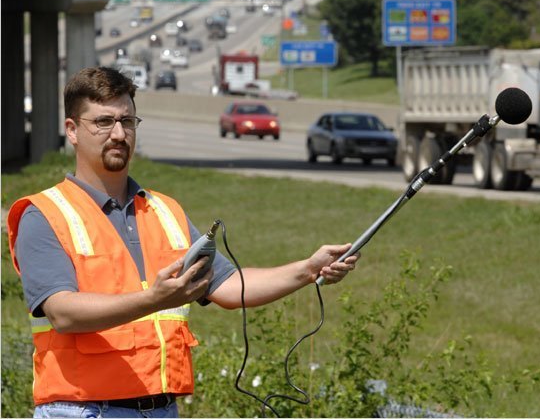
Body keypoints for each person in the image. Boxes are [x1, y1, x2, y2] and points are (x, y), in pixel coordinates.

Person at [7, 66, 360, 418]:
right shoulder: (44, 214)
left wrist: (307, 269)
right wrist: (154, 299)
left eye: (127, 121)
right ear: (72, 130)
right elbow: (63, 313)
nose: (118, 133)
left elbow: (229, 286)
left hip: (161, 409)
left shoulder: (165, 211)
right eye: (103, 122)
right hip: (82, 410)